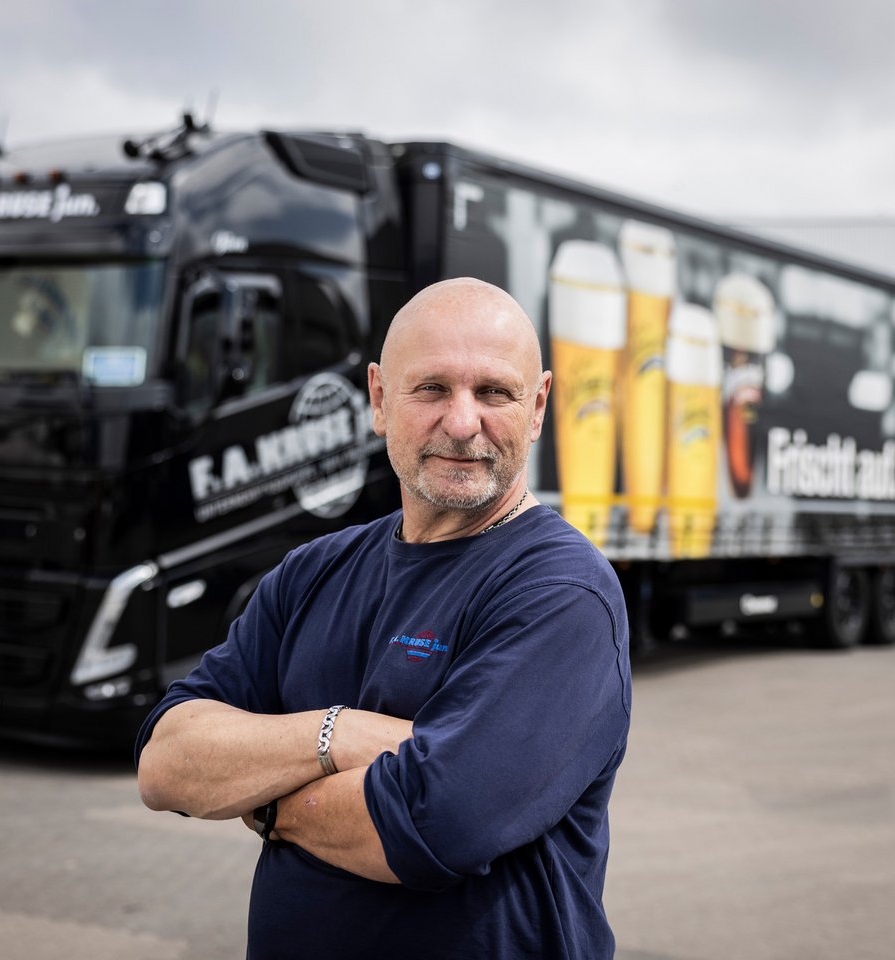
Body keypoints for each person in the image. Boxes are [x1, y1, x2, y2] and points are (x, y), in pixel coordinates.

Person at [135, 277, 632, 959]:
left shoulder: (561, 591)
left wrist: (271, 801)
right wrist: (338, 736)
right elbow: (167, 764)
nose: (463, 423)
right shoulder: (314, 572)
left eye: (494, 392)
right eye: (431, 389)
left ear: (538, 404)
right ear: (377, 399)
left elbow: (436, 823)